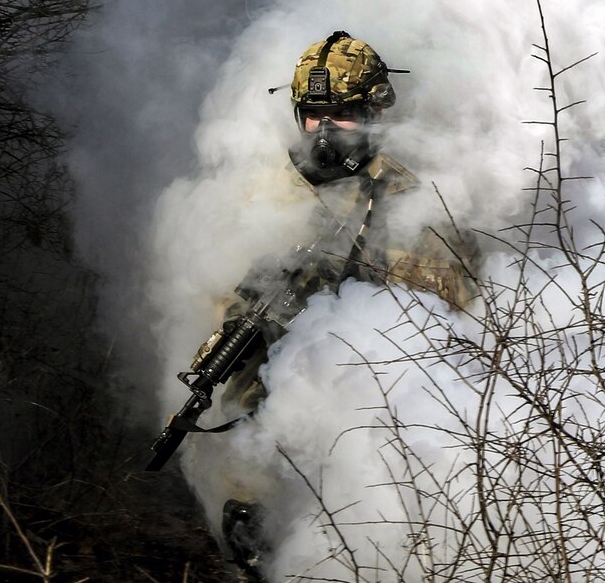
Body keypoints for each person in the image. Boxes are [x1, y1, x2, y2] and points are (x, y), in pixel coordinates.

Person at [200, 31, 477, 580]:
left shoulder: (414, 207)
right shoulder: (263, 196)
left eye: (343, 113)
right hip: (282, 443)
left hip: (386, 449)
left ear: (375, 111)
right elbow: (239, 375)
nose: (324, 131)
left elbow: (456, 345)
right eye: (313, 114)